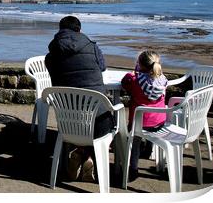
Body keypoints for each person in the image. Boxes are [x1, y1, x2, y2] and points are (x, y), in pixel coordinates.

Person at [45, 15, 113, 182]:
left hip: (68, 120)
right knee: (109, 120)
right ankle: (86, 155)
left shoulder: (51, 55)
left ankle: (79, 152)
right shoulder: (91, 46)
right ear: (80, 30)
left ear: (60, 30)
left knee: (82, 125)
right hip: (98, 121)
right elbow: (102, 67)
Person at [121, 50, 168, 181]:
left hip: (138, 124)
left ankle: (133, 168)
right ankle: (148, 149)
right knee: (151, 119)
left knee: (135, 141)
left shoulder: (135, 81)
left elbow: (125, 83)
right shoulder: (163, 80)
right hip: (159, 123)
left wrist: (132, 73)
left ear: (140, 65)